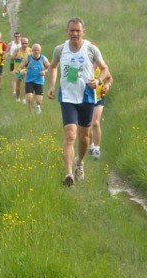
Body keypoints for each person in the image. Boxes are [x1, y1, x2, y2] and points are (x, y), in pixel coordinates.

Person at [47, 17, 110, 186]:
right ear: (66, 32)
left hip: (87, 97)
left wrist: (98, 81)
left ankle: (79, 162)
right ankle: (68, 174)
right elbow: (52, 67)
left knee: (84, 138)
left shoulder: (91, 49)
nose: (74, 33)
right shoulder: (60, 50)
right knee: (69, 134)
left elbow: (104, 70)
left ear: (83, 32)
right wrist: (52, 86)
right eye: (71, 30)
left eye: (77, 30)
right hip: (67, 97)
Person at [88, 64, 113, 159]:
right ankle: (90, 146)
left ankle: (97, 148)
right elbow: (72, 78)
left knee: (95, 122)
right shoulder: (82, 63)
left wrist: (107, 85)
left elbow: (110, 78)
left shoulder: (101, 65)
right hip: (86, 99)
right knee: (87, 124)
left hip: (99, 98)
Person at [18, 43, 50, 114]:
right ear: (31, 50)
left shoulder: (43, 59)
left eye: (37, 50)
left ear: (40, 51)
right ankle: (31, 113)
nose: (36, 52)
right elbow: (20, 67)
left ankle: (37, 105)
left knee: (39, 101)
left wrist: (45, 71)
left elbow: (49, 67)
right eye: (34, 50)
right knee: (29, 98)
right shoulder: (28, 58)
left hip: (39, 81)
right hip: (29, 80)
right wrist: (22, 71)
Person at [11, 37, 31, 102]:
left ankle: (25, 99)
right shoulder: (17, 50)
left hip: (27, 71)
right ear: (21, 43)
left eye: (26, 43)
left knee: (27, 85)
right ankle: (17, 98)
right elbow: (11, 58)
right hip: (18, 71)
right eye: (23, 43)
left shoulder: (30, 51)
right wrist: (16, 57)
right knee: (18, 88)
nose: (24, 45)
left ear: (28, 44)